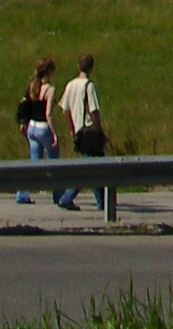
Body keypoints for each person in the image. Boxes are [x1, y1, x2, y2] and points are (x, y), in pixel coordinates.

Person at [58, 54, 109, 212]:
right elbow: (93, 110)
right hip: (89, 131)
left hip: (79, 131)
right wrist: (100, 130)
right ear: (91, 68)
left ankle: (103, 202)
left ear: (78, 66)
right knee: (94, 169)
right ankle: (68, 198)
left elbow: (64, 109)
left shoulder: (70, 84)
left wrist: (72, 129)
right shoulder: (89, 86)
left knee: (92, 168)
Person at [14, 57, 59, 204]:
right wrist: (55, 133)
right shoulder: (49, 89)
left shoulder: (32, 86)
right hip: (43, 127)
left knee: (34, 164)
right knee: (55, 164)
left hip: (32, 127)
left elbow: (24, 104)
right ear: (49, 72)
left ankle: (22, 193)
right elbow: (49, 114)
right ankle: (58, 195)